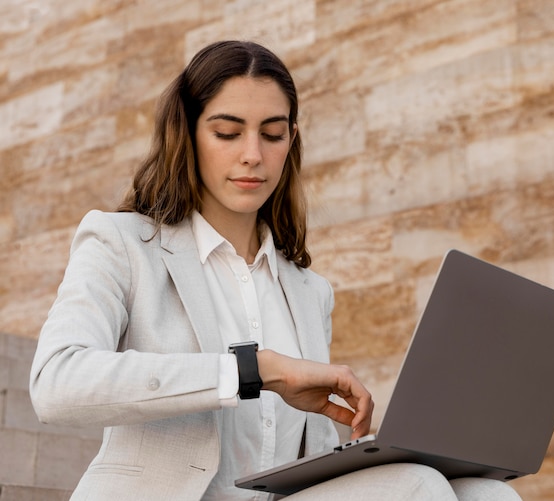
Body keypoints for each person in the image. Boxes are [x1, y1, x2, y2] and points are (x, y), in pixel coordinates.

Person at [29, 40, 522, 501]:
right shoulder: (121, 243)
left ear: (291, 140)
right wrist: (253, 370)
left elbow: (301, 456)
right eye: (227, 132)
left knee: (488, 494)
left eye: (272, 134)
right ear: (189, 133)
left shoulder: (309, 290)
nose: (252, 155)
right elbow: (57, 381)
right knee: (416, 486)